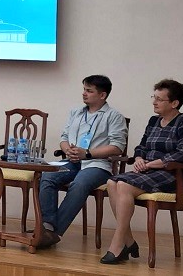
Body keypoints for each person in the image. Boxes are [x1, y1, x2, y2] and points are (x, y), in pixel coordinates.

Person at [100, 79, 183, 264]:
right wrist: (139, 158)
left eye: (159, 99)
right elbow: (142, 146)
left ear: (174, 103)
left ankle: (118, 243)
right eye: (154, 97)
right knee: (112, 182)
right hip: (151, 172)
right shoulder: (154, 121)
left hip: (177, 175)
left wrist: (152, 164)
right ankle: (128, 241)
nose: (154, 102)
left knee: (124, 185)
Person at [38, 75, 128, 247]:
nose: (84, 93)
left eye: (89, 91)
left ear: (102, 95)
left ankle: (54, 233)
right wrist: (68, 150)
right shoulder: (76, 112)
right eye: (84, 90)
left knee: (79, 183)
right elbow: (64, 137)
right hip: (72, 162)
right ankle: (46, 226)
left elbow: (117, 147)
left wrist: (86, 153)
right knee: (47, 176)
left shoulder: (114, 116)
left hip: (98, 165)